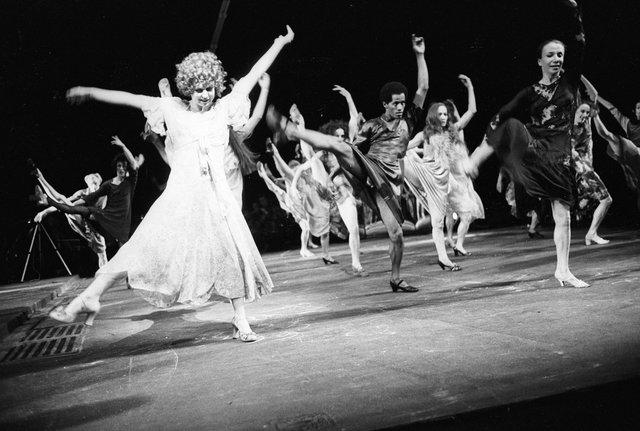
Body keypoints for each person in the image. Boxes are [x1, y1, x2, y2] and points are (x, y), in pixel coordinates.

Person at [49, 26, 295, 342]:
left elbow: (253, 74)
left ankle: (241, 320)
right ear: (188, 88)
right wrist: (90, 91)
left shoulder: (223, 109)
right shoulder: (172, 109)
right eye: (199, 89)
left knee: (232, 254)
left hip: (218, 200)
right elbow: (130, 99)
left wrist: (280, 43)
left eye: (210, 88)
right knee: (139, 247)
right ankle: (88, 297)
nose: (206, 94)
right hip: (179, 200)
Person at [267, 34, 429, 292]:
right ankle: (292, 130)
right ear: (385, 104)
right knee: (339, 145)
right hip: (368, 169)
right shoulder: (373, 125)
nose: (400, 107)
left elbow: (422, 89)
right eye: (395, 103)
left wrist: (419, 55)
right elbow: (354, 147)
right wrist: (343, 168)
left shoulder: (409, 120)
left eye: (402, 103)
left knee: (396, 235)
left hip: (387, 184)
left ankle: (396, 277)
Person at [465, 0, 589, 288]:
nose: (557, 59)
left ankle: (563, 270)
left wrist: (575, 14)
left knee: (563, 216)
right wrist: (486, 142)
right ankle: (475, 159)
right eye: (551, 55)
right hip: (536, 149)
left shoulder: (570, 82)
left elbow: (582, 43)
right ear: (540, 61)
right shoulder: (530, 92)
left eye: (560, 54)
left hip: (561, 158)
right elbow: (503, 113)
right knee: (510, 125)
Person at [42, 135, 143, 249]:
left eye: (124, 166)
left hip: (123, 222)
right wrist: (71, 205)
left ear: (127, 168)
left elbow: (134, 165)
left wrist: (123, 146)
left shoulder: (130, 183)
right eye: (119, 166)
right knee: (76, 210)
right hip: (107, 217)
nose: (121, 168)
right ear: (116, 167)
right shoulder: (108, 184)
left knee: (123, 250)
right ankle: (47, 200)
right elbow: (91, 196)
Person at [581, 76, 640, 213]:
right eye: (638, 108)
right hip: (630, 155)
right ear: (635, 111)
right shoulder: (628, 124)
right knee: (610, 138)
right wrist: (596, 98)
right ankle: (595, 115)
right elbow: (612, 109)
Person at [34, 170, 108, 267]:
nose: (94, 186)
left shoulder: (102, 194)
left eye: (96, 183)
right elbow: (62, 201)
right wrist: (41, 178)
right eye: (92, 184)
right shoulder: (82, 193)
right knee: (65, 206)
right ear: (87, 184)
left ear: (99, 183)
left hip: (98, 226)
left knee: (101, 254)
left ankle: (105, 273)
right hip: (84, 222)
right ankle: (42, 186)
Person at [570, 100, 612, 244]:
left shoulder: (586, 123)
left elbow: (593, 95)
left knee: (593, 201)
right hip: (584, 172)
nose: (585, 115)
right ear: (574, 111)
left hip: (587, 170)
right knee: (606, 200)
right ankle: (591, 233)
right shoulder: (569, 130)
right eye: (582, 111)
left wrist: (581, 77)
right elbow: (570, 153)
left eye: (587, 112)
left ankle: (590, 232)